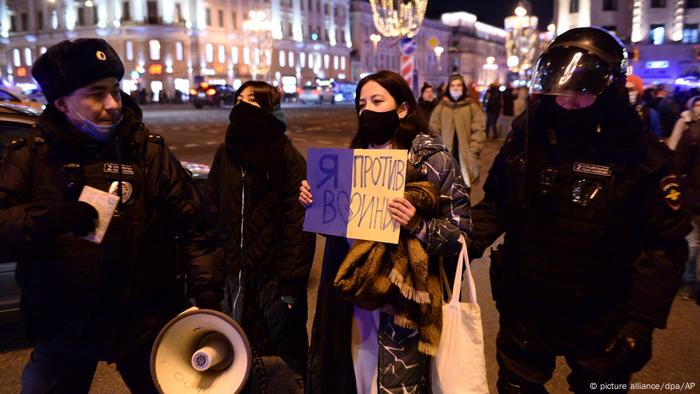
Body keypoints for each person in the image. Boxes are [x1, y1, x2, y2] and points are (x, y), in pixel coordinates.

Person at [468, 27, 690, 393]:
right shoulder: (528, 134)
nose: (567, 102)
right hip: (527, 303)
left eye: (581, 93)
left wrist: (641, 322)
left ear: (609, 91)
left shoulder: (641, 154)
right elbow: (497, 205)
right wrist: (459, 245)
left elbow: (663, 245)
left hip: (602, 313)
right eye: (561, 92)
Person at [0, 38, 224, 393]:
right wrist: (46, 221)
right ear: (61, 102)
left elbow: (196, 224)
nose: (112, 105)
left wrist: (208, 297)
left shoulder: (146, 151)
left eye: (115, 91)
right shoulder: (30, 155)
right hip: (63, 328)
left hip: (143, 325)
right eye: (96, 94)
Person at [300, 70, 472, 394]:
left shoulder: (433, 160)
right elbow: (344, 232)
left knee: (396, 385)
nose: (368, 110)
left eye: (378, 101)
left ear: (403, 108)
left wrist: (418, 226)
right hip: (355, 299)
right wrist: (316, 204)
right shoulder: (354, 158)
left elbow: (461, 236)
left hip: (403, 307)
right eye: (362, 103)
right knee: (357, 379)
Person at [204, 81, 315, 391]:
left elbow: (298, 223)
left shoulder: (286, 155)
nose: (242, 106)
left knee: (279, 363)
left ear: (268, 108)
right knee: (232, 357)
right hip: (231, 277)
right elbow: (211, 210)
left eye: (251, 101)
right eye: (239, 99)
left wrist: (291, 285)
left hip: (273, 282)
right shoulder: (225, 153)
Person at [429, 74, 485, 188]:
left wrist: (473, 150)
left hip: (466, 156)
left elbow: (479, 130)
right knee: (446, 190)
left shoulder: (471, 107)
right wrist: (439, 149)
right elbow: (434, 129)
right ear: (448, 88)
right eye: (453, 85)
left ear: (463, 87)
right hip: (446, 156)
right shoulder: (441, 107)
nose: (455, 88)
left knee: (465, 190)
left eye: (459, 85)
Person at [673, 96, 700, 302]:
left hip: (695, 195)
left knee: (692, 241)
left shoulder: (693, 133)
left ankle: (688, 283)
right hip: (695, 195)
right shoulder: (691, 131)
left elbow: (680, 165)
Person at [627, 75, 662, 139]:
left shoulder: (651, 113)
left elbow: (657, 138)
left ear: (638, 92)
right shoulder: (614, 110)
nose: (627, 93)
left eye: (630, 90)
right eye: (624, 90)